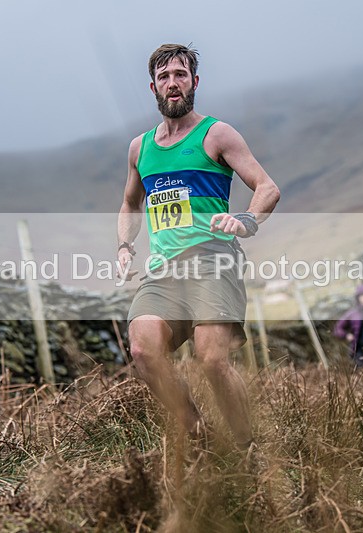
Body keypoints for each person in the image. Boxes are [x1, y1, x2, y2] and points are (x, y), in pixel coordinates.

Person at [116, 44, 280, 453]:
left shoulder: (217, 134)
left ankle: (248, 449)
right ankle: (199, 435)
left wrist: (246, 219)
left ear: (194, 82)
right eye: (165, 77)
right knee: (142, 348)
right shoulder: (140, 148)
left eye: (181, 75)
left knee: (211, 359)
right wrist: (124, 244)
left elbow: (267, 188)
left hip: (213, 261)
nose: (173, 83)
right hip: (164, 270)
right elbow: (131, 204)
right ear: (153, 86)